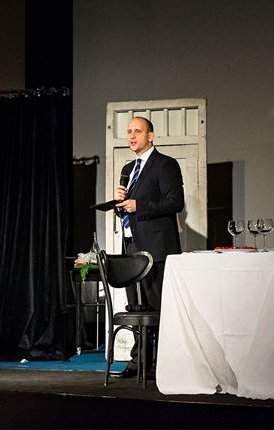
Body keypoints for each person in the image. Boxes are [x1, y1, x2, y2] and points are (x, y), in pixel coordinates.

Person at [112, 116, 184, 378]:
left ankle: (162, 364)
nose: (131, 136)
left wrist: (138, 205)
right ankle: (138, 362)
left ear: (150, 136)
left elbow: (175, 202)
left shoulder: (165, 165)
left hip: (156, 250)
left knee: (157, 309)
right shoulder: (128, 168)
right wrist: (121, 205)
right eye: (129, 131)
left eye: (138, 131)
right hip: (132, 249)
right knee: (136, 309)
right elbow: (126, 213)